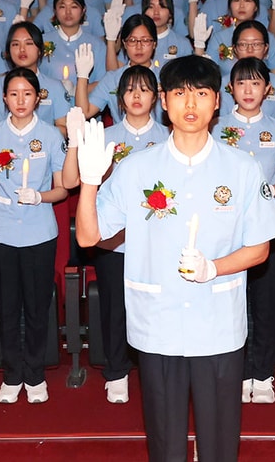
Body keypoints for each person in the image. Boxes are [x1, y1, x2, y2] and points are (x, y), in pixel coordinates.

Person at [74, 55, 275, 462]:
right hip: (159, 321)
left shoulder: (242, 168)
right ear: (164, 101)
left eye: (202, 94)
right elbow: (88, 236)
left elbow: (260, 248)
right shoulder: (136, 168)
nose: (191, 104)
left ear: (217, 102)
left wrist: (214, 268)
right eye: (180, 94)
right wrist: (88, 182)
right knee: (165, 440)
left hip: (218, 323)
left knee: (219, 441)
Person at [0, 67, 68, 404]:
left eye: (27, 93)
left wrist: (40, 196)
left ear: (38, 98)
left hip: (39, 231)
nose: (20, 100)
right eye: (14, 94)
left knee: (36, 308)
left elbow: (63, 189)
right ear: (4, 98)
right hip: (0, 233)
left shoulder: (50, 135)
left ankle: (35, 375)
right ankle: (11, 374)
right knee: (6, 307)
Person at [61, 65, 167, 403]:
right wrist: (75, 143)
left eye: (144, 89)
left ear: (156, 98)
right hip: (112, 239)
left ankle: (157, 370)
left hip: (157, 241)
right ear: (119, 98)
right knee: (114, 307)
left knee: (155, 307)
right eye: (130, 90)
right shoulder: (103, 136)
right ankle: (117, 371)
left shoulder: (169, 137)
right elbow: (70, 182)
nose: (137, 96)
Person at [218, 57, 275, 405]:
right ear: (230, 89)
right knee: (230, 302)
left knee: (265, 303)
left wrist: (271, 190)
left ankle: (262, 374)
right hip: (225, 228)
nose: (248, 90)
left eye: (255, 83)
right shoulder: (215, 128)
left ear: (268, 89)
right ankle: (234, 372)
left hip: (268, 227)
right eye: (241, 83)